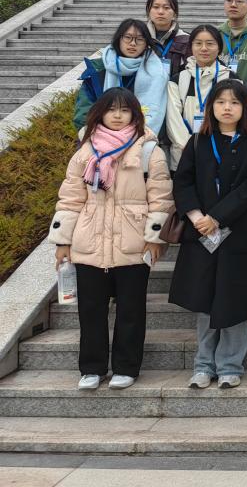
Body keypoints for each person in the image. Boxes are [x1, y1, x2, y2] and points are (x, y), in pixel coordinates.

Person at [50, 88, 173, 390]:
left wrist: (155, 238)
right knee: (91, 309)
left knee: (131, 310)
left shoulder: (149, 151)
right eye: (111, 109)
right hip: (89, 241)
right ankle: (92, 368)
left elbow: (161, 199)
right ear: (100, 113)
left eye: (125, 110)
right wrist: (63, 241)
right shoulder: (85, 150)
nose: (117, 115)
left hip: (133, 241)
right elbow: (70, 198)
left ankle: (126, 367)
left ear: (135, 114)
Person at [170, 80, 247, 389]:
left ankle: (230, 365)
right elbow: (183, 182)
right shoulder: (198, 142)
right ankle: (203, 365)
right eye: (221, 101)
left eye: (235, 102)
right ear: (211, 106)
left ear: (245, 108)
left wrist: (217, 217)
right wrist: (198, 217)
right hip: (202, 234)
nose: (227, 108)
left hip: (239, 234)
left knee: (235, 300)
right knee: (205, 299)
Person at [73, 19, 169, 134]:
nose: (133, 43)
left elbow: (159, 112)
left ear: (146, 44)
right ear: (118, 39)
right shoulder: (99, 69)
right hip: (100, 137)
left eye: (139, 39)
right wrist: (101, 136)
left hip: (143, 135)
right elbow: (84, 111)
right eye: (128, 37)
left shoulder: (156, 72)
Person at [165, 24, 236, 170]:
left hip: (219, 155)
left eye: (210, 43)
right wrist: (188, 147)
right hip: (182, 157)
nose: (204, 48)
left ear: (219, 47)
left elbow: (233, 118)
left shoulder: (232, 79)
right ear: (191, 47)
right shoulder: (178, 80)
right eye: (198, 43)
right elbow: (173, 118)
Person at [145, 0, 190, 76]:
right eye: (156, 7)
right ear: (148, 11)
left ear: (174, 13)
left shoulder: (187, 39)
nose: (160, 12)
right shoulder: (140, 37)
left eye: (166, 8)